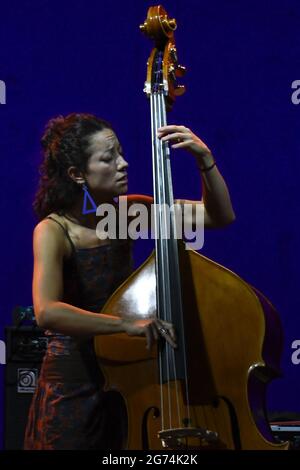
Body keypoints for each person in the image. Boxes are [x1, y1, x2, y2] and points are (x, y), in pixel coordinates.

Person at [24, 113, 235, 450]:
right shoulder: (53, 230)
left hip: (126, 373)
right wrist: (127, 324)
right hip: (74, 381)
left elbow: (218, 216)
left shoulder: (128, 213)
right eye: (108, 158)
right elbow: (47, 312)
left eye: (120, 153)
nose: (123, 164)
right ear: (77, 174)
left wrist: (204, 159)